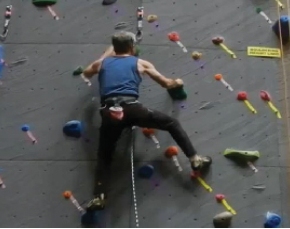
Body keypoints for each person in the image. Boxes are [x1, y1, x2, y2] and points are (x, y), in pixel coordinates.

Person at [82, 31, 212, 212]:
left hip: (109, 112)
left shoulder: (102, 63)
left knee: (104, 156)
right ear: (132, 47)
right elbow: (166, 84)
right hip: (132, 108)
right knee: (171, 123)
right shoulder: (140, 63)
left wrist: (106, 54)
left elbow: (87, 72)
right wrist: (178, 82)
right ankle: (195, 159)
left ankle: (99, 197)